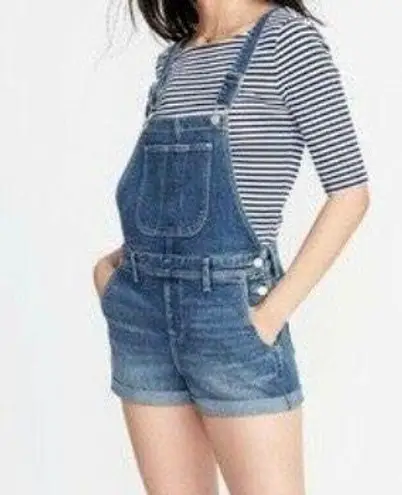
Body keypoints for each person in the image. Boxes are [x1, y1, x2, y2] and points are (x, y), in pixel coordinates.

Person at [93, 1, 370, 493]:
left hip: (232, 318)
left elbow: (350, 193)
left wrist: (269, 317)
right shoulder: (175, 60)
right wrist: (109, 272)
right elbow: (163, 204)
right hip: (142, 318)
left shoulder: (286, 42)